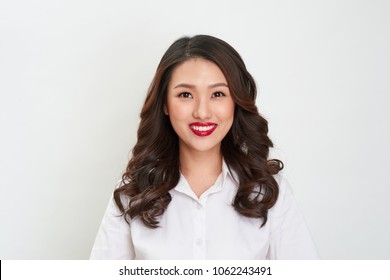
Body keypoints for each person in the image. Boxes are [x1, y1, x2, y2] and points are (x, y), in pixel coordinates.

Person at [89, 35, 319, 260]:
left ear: (235, 103)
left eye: (218, 94)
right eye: (185, 94)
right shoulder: (133, 193)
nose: (202, 112)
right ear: (165, 105)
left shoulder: (269, 192)